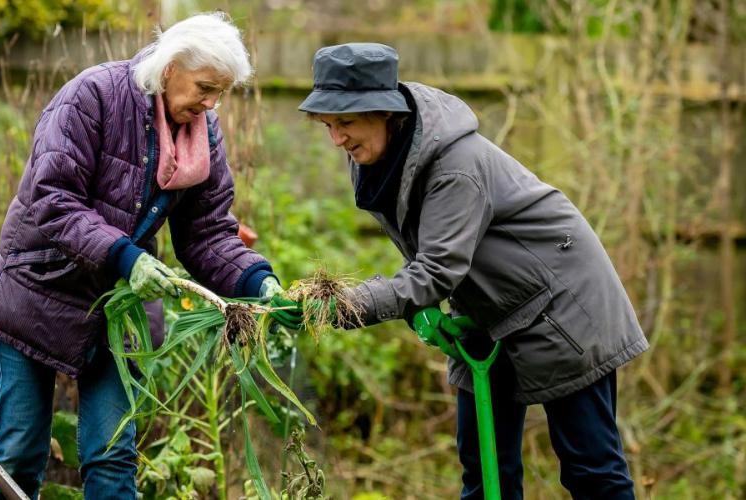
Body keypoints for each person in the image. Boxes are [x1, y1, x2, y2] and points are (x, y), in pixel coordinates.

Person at [270, 43, 647, 499]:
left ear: (386, 112)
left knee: (591, 471)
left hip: (561, 306)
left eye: (346, 122)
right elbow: (429, 255)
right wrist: (417, 308)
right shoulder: (378, 158)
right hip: (488, 314)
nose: (337, 139)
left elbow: (434, 271)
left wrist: (341, 304)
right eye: (328, 125)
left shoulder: (455, 166)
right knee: (484, 470)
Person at [0, 13, 285, 499]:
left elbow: (205, 232)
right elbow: (51, 197)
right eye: (204, 87)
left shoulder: (202, 131)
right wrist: (124, 256)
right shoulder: (93, 96)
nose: (210, 103)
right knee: (19, 454)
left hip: (118, 307)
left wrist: (257, 279)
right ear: (169, 68)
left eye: (219, 92)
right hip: (38, 290)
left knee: (112, 455)